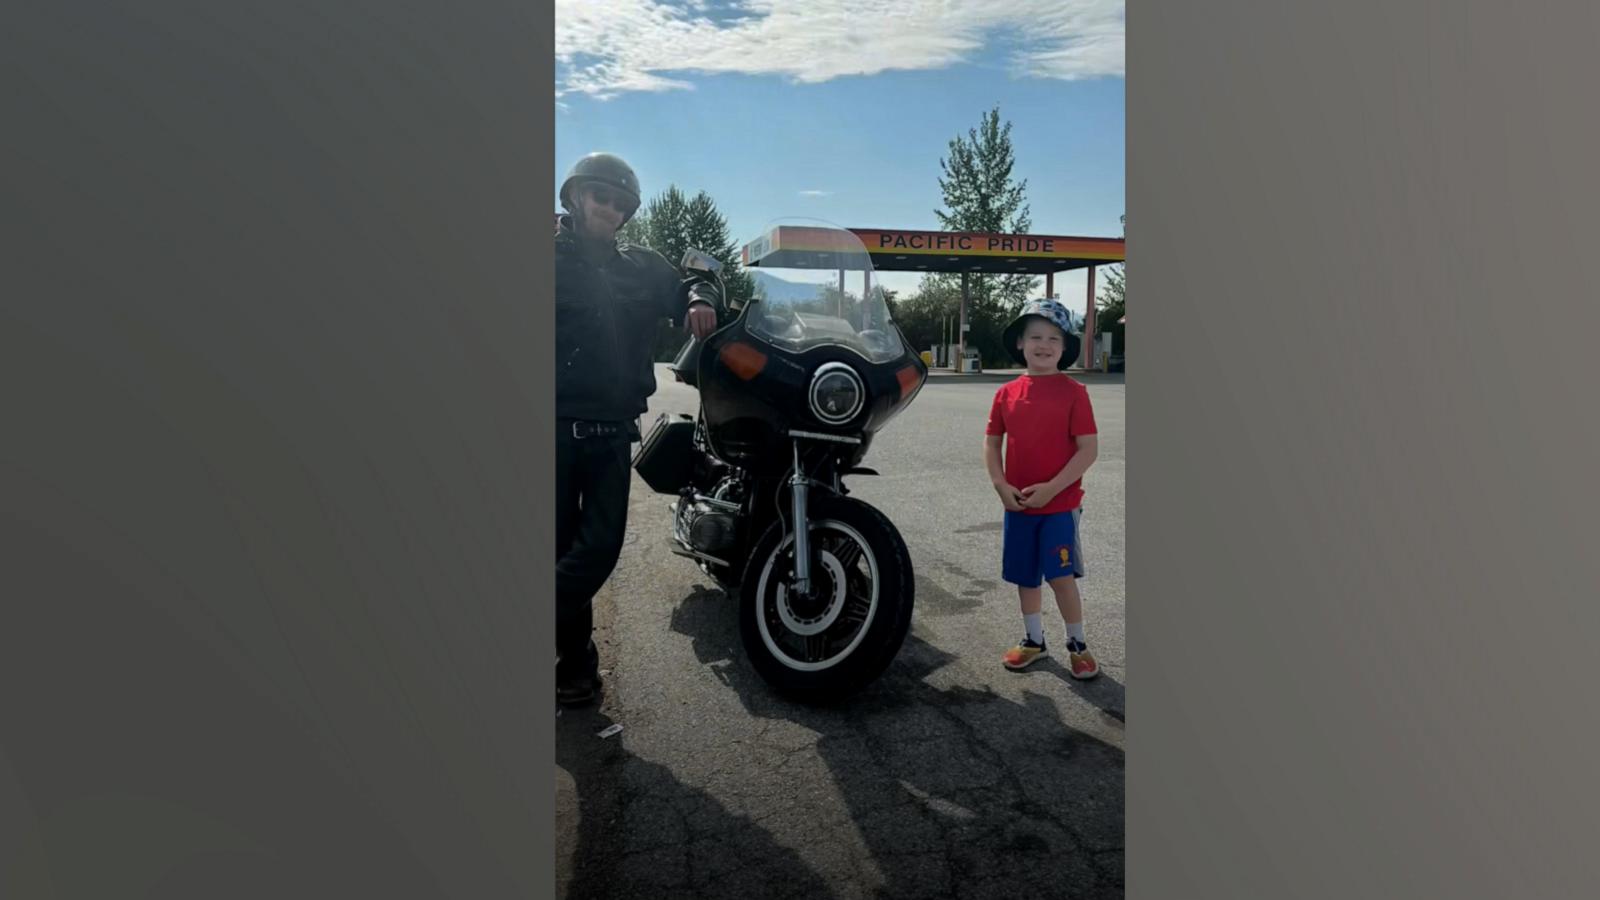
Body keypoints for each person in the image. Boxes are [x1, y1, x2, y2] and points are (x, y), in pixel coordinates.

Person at [555, 152, 719, 707]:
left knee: (597, 548)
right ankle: (575, 669)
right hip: (548, 426)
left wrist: (700, 296)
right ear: (576, 196)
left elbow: (695, 283)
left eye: (622, 203)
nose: (611, 209)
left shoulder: (644, 266)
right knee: (560, 549)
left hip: (610, 429)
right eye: (602, 197)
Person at [982, 298, 1101, 679]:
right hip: (1018, 506)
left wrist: (1052, 488)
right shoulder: (1006, 393)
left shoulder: (1073, 392)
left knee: (1060, 577)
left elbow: (1088, 449)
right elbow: (992, 441)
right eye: (1035, 336)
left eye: (1054, 337)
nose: (1044, 344)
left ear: (1065, 348)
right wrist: (1000, 484)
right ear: (1020, 342)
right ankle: (1034, 639)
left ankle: (1077, 643)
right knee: (1025, 575)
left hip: (1059, 505)